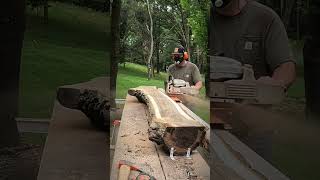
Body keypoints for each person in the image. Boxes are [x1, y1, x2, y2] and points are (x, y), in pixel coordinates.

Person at [209, 0, 296, 161]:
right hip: (209, 125)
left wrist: (276, 83)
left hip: (253, 132)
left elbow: (286, 66)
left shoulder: (265, 18)